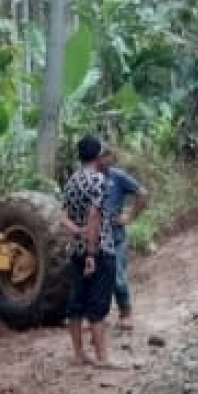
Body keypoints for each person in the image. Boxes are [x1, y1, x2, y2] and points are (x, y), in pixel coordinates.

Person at [61, 135, 123, 369]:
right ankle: (102, 358)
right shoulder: (98, 180)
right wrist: (91, 252)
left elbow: (61, 216)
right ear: (97, 156)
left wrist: (77, 232)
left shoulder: (72, 181)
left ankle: (79, 355)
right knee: (98, 305)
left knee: (76, 303)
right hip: (98, 249)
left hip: (76, 249)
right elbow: (94, 216)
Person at [101, 147, 149, 331]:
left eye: (108, 155)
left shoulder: (117, 176)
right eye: (102, 156)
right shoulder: (89, 178)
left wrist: (129, 216)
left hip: (116, 236)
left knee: (117, 276)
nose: (105, 159)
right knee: (97, 278)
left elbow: (142, 193)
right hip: (95, 237)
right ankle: (97, 316)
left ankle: (126, 313)